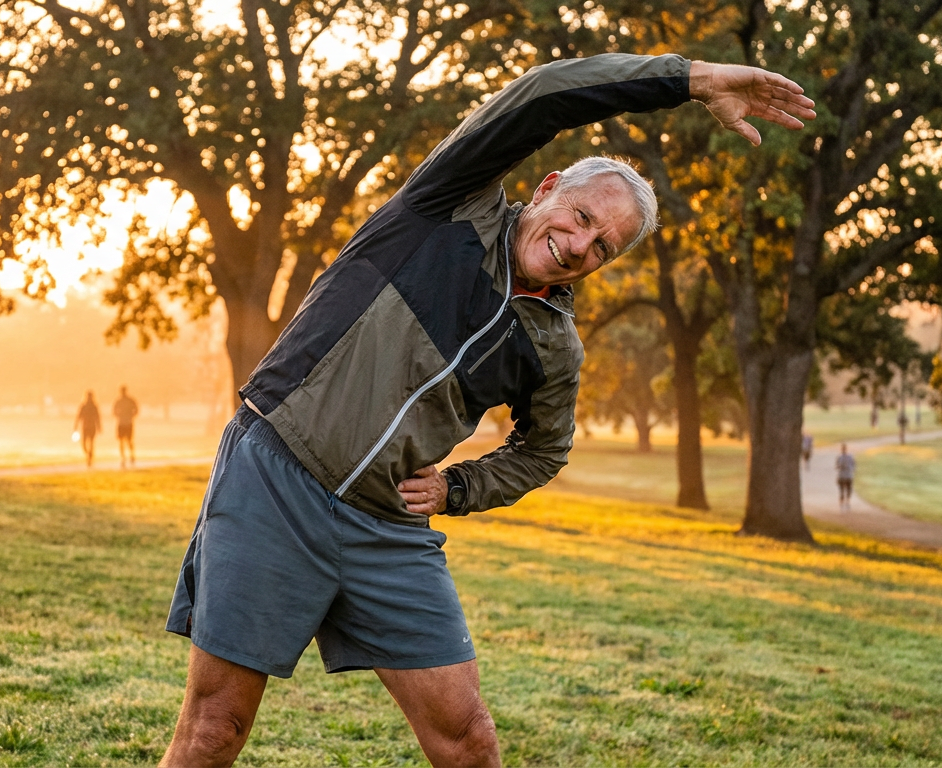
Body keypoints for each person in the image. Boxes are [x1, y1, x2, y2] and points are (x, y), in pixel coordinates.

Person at [160, 54, 816, 767]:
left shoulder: (552, 345)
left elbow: (544, 449)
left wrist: (459, 487)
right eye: (582, 217)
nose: (578, 245)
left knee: (468, 740)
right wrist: (688, 80)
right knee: (215, 728)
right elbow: (541, 95)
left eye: (603, 247)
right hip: (277, 479)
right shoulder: (449, 205)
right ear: (547, 188)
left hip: (387, 526)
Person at [113, 385, 139, 469]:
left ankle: (131, 455)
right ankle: (123, 457)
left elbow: (136, 409)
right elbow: (114, 411)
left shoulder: (129, 400)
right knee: (122, 441)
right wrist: (118, 415)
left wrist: (132, 415)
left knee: (128, 440)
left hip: (127, 422)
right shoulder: (119, 401)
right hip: (122, 423)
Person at [74, 391, 101, 468]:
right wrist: (76, 425)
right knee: (84, 443)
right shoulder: (83, 406)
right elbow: (79, 416)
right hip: (85, 427)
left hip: (92, 427)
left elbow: (97, 417)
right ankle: (88, 453)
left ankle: (90, 458)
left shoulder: (94, 406)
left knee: (91, 442)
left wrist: (99, 427)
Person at [835, 443, 856, 511]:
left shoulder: (850, 456)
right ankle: (842, 503)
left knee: (848, 489)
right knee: (841, 490)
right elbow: (836, 466)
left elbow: (853, 465)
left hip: (848, 475)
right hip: (841, 475)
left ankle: (847, 501)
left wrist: (851, 469)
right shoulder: (839, 457)